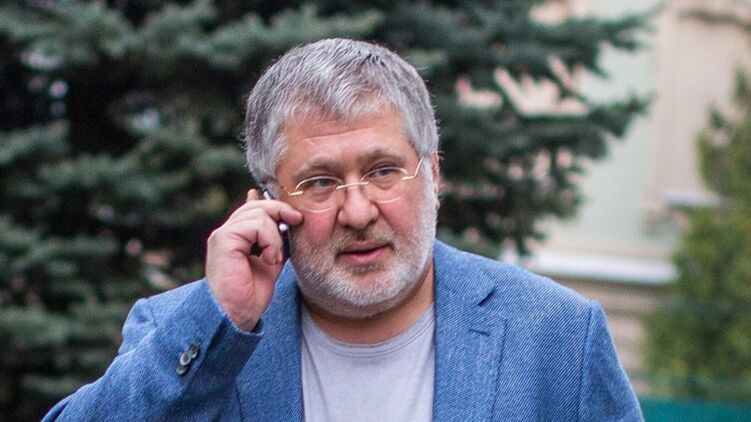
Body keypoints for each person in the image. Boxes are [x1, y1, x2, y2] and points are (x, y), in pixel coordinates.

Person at [44, 38, 642, 421]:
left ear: (433, 175)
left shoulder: (557, 337)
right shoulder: (190, 334)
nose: (357, 213)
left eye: (383, 171)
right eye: (320, 181)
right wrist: (223, 319)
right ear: (270, 203)